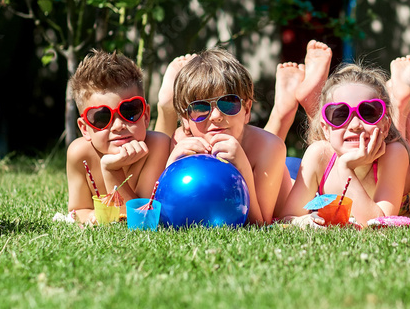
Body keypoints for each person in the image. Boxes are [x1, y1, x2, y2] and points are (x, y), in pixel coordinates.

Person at [277, 62, 410, 226]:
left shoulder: (394, 153)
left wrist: (346, 168)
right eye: (340, 115)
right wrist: (308, 222)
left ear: (385, 125)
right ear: (325, 129)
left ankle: (402, 104)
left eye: (368, 112)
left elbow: (379, 225)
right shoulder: (319, 155)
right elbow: (286, 218)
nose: (355, 125)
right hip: (301, 165)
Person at [161, 49, 288, 225]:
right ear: (185, 119)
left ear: (247, 110)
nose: (215, 116)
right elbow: (166, 210)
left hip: (287, 177)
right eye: (200, 108)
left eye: (228, 103)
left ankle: (285, 108)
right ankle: (164, 103)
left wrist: (243, 165)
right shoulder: (181, 141)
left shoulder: (270, 147)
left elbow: (260, 223)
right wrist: (172, 165)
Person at [66, 50, 171, 224]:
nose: (118, 126)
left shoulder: (157, 146)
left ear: (145, 116)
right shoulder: (79, 154)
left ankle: (167, 107)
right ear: (84, 128)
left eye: (129, 111)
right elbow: (77, 210)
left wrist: (111, 170)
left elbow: (141, 220)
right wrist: (90, 216)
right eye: (101, 118)